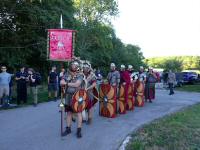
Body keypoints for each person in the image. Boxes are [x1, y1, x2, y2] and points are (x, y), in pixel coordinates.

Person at [60, 60, 84, 138]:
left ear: (77, 66)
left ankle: (79, 130)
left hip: (77, 97)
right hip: (68, 96)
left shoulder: (80, 74)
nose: (74, 66)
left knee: (79, 113)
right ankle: (68, 129)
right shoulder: (67, 74)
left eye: (75, 65)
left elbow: (77, 84)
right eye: (73, 65)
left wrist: (66, 83)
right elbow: (61, 82)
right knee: (69, 113)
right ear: (71, 65)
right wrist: (63, 82)